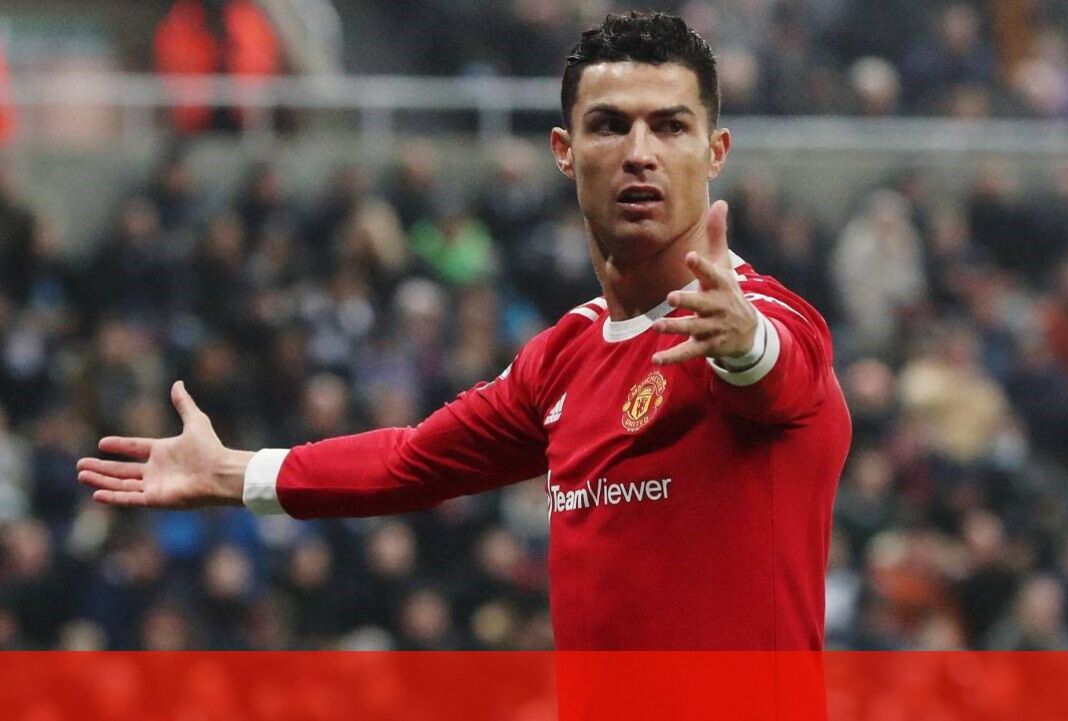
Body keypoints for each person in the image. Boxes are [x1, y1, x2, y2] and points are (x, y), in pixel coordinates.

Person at [77, 11, 852, 650]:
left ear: (715, 151)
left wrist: (743, 342)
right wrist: (235, 473)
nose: (640, 153)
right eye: (610, 125)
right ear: (565, 151)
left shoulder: (766, 318)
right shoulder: (564, 356)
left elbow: (778, 371)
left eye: (671, 126)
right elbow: (411, 460)